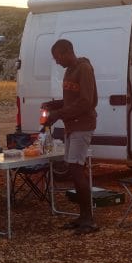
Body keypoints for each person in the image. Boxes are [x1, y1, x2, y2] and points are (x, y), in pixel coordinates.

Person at [44, 38, 98, 234]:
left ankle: (89, 220)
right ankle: (82, 217)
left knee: (76, 170)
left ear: (67, 52)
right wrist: (53, 105)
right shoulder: (69, 70)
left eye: (58, 57)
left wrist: (58, 114)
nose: (57, 61)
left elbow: (86, 101)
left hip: (82, 125)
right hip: (71, 126)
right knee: (73, 169)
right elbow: (70, 100)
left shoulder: (84, 69)